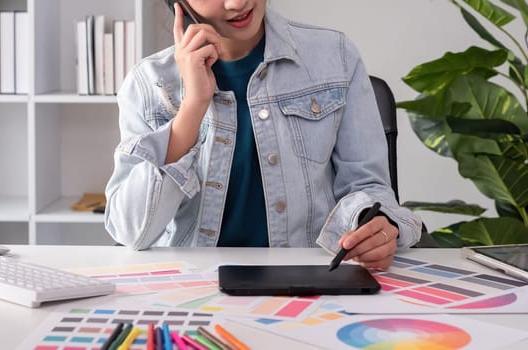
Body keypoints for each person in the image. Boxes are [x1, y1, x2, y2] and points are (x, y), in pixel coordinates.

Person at [104, 0, 422, 270]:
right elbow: (133, 231)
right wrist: (192, 108)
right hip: (192, 288)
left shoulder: (335, 57)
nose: (237, 4)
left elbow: (368, 187)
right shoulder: (148, 83)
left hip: (308, 281)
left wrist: (377, 227)